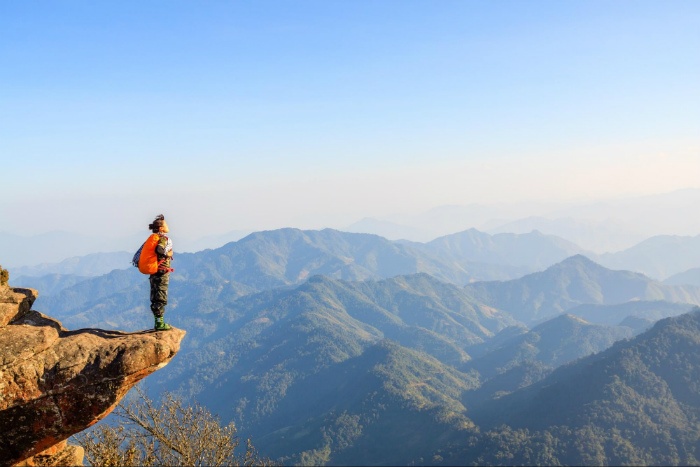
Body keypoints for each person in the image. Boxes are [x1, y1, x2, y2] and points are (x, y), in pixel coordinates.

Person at [147, 214, 174, 330]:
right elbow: (160, 249)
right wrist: (168, 254)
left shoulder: (153, 238)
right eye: (166, 224)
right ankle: (159, 324)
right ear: (162, 228)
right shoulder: (163, 239)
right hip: (161, 272)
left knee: (155, 296)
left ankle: (158, 321)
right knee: (161, 296)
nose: (168, 226)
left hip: (154, 271)